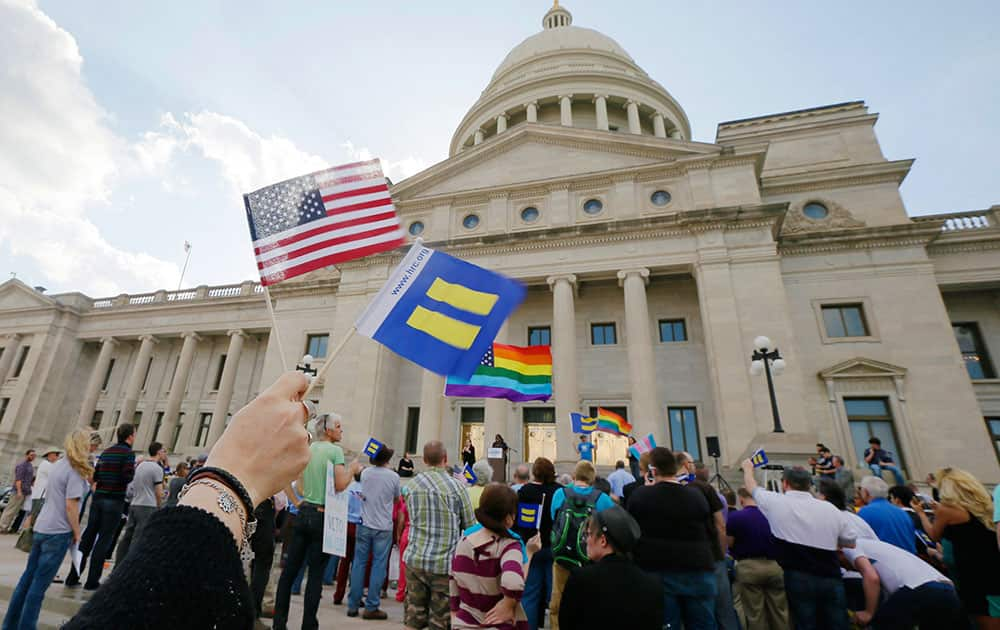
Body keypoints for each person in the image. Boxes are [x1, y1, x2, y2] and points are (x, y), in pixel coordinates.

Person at [741, 460, 856, 630]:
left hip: (797, 576)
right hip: (830, 575)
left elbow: (752, 487)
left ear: (785, 483)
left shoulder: (776, 502)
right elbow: (850, 541)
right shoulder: (830, 509)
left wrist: (748, 468)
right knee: (837, 624)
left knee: (804, 623)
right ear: (810, 485)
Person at [273, 411, 361, 630]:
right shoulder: (335, 451)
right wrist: (352, 470)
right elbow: (340, 485)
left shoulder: (309, 449)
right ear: (329, 430)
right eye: (339, 426)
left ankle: (279, 622)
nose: (341, 430)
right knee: (315, 575)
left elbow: (288, 478)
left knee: (290, 570)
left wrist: (297, 500)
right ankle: (308, 624)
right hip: (322, 515)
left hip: (303, 512)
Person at [3, 430, 95, 630]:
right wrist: (77, 533)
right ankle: (27, 626)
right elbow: (71, 506)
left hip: (43, 527)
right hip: (58, 531)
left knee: (27, 579)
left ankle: (10, 624)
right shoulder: (74, 470)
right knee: (39, 585)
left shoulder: (58, 465)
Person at [627, 447, 716, 629]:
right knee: (702, 624)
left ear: (653, 471)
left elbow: (632, 531)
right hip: (697, 568)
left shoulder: (641, 496)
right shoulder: (696, 496)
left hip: (659, 569)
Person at [910, 467, 1000, 628]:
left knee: (986, 621)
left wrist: (921, 513)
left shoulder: (948, 509)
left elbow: (933, 535)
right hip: (994, 569)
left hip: (975, 576)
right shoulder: (986, 504)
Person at [404, 440, 476, 630]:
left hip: (415, 559)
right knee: (440, 622)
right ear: (445, 459)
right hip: (443, 564)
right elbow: (470, 527)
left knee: (413, 619)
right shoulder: (457, 488)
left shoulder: (410, 486)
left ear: (425, 459)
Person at [449, 483, 541, 628]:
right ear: (508, 517)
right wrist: (508, 604)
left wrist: (454, 615)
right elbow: (514, 582)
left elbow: (453, 581)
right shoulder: (509, 546)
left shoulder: (463, 542)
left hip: (465, 622)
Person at [558, 505, 662, 629]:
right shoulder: (652, 584)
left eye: (589, 534)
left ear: (603, 541)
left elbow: (567, 623)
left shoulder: (581, 579)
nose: (586, 540)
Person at [66, 424, 136, 590]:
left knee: (88, 537)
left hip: (99, 498)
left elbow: (95, 476)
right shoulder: (128, 453)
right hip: (114, 499)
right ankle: (92, 581)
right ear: (130, 436)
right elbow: (127, 476)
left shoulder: (107, 452)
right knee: (104, 539)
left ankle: (73, 576)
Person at [548, 460, 614, 630]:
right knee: (589, 602)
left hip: (562, 555)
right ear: (593, 478)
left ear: (574, 475)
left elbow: (553, 519)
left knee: (558, 602)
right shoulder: (602, 498)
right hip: (590, 558)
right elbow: (612, 525)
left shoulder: (560, 494)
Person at [841, 537, 963, 628]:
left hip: (917, 587)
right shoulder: (876, 547)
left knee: (881, 623)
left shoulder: (849, 546)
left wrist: (868, 613)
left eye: (840, 563)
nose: (845, 568)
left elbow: (871, 577)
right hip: (945, 589)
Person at [682, 451, 738, 630]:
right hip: (713, 555)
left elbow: (721, 526)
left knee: (705, 610)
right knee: (723, 609)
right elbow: (721, 525)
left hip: (699, 557)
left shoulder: (686, 491)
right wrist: (722, 552)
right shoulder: (710, 493)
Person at [348, 443, 400, 620]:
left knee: (359, 563)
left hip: (365, 522)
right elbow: (396, 499)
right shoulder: (393, 477)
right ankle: (371, 605)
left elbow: (356, 474)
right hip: (383, 525)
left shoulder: (366, 473)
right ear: (386, 459)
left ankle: (353, 604)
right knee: (378, 565)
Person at [727, 487, 789, 630]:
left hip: (748, 566)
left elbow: (729, 542)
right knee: (780, 611)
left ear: (741, 499)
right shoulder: (773, 515)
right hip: (774, 564)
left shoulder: (736, 517)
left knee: (755, 613)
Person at [514, 457, 559, 630]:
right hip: (551, 545)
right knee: (553, 593)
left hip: (531, 544)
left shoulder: (525, 491)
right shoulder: (558, 491)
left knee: (530, 594)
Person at [115, 441, 167, 565]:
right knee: (139, 537)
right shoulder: (156, 468)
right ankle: (131, 564)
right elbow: (158, 492)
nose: (165, 454)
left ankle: (119, 563)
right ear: (159, 452)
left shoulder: (141, 465)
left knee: (127, 536)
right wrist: (160, 505)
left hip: (135, 503)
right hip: (148, 505)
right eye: (164, 451)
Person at [857, 476, 916, 554]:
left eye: (861, 489)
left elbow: (860, 544)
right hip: (910, 560)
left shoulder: (864, 512)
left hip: (885, 561)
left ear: (866, 492)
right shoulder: (902, 513)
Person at [332, 469, 364, 605]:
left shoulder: (349, 488)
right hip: (360, 525)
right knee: (359, 564)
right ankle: (356, 595)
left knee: (344, 562)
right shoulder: (365, 490)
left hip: (347, 523)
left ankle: (338, 594)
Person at [1, 449, 35, 533]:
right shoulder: (22, 465)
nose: (33, 457)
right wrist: (19, 491)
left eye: (34, 455)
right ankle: (2, 527)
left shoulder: (30, 466)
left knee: (15, 511)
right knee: (10, 510)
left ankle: (7, 527)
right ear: (26, 455)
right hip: (18, 492)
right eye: (31, 455)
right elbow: (18, 479)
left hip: (25, 493)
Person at [24, 446, 60, 528]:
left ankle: (28, 533)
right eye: (56, 454)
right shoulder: (46, 465)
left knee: (33, 516)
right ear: (50, 455)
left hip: (41, 496)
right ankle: (26, 535)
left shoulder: (49, 464)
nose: (58, 457)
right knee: (33, 517)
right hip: (40, 496)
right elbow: (56, 475)